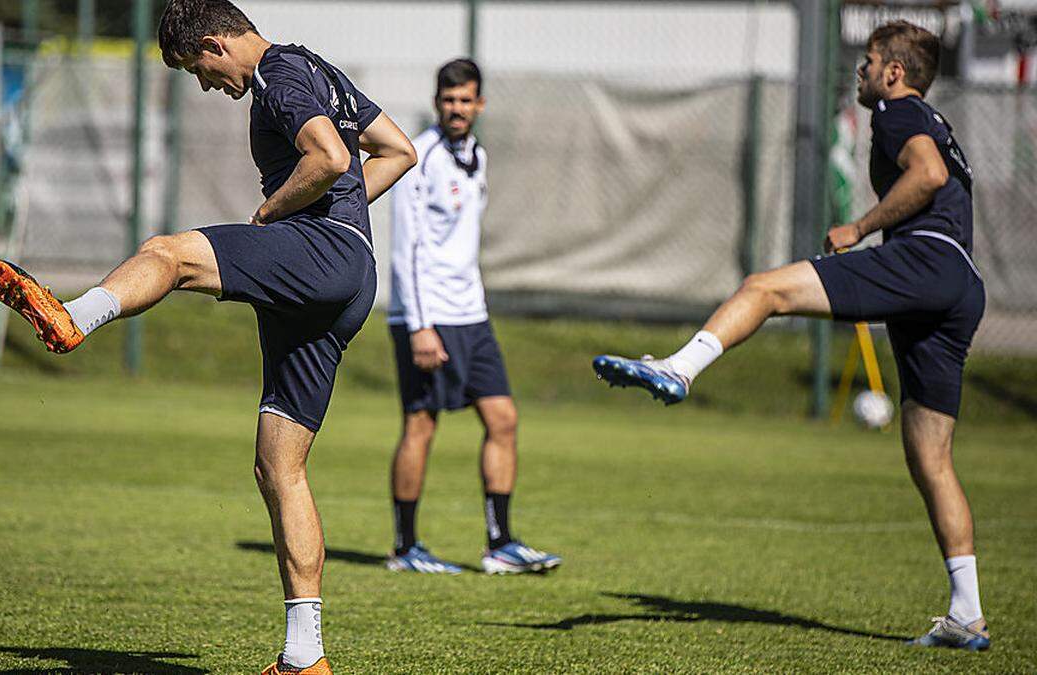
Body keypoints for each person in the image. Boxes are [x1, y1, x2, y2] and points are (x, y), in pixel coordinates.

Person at [0, 1, 417, 672]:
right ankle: (306, 658)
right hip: (345, 275)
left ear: (216, 44)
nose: (204, 85)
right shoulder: (320, 69)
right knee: (279, 467)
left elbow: (331, 158)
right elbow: (397, 151)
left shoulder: (279, 74)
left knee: (171, 253)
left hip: (320, 252)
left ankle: (77, 315)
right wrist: (350, 217)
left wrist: (277, 212)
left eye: (197, 69)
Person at [594, 21, 989, 652]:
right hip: (962, 285)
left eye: (866, 62)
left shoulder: (895, 111)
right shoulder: (933, 117)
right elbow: (946, 176)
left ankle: (680, 368)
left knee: (763, 288)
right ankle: (966, 613)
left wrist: (858, 226)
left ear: (893, 72)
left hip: (925, 262)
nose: (859, 72)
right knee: (929, 457)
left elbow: (930, 175)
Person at [385, 59, 561, 576]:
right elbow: (407, 250)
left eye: (466, 100)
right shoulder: (417, 157)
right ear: (437, 101)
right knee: (421, 425)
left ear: (479, 104)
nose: (456, 108)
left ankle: (500, 543)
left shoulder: (477, 156)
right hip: (427, 315)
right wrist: (419, 325)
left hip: (472, 314)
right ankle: (405, 547)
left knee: (502, 419)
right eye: (448, 99)